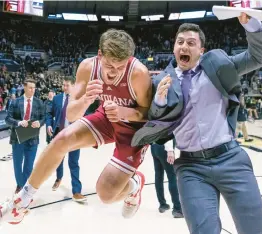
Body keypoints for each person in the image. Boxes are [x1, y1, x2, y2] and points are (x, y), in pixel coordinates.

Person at [0, 29, 152, 224]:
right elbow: (71, 114)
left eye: (120, 67)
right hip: (106, 117)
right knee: (62, 139)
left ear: (129, 60)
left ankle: (135, 184)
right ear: (99, 55)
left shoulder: (139, 73)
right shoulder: (88, 67)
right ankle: (23, 201)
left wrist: (125, 112)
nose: (113, 72)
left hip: (133, 128)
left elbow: (147, 115)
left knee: (106, 194)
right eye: (109, 66)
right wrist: (87, 100)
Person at [132, 13, 262, 234]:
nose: (184, 46)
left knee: (255, 228)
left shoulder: (219, 66)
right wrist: (158, 103)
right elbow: (155, 124)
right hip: (191, 168)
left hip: (230, 158)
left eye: (191, 43)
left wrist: (251, 25)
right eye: (180, 42)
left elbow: (258, 56)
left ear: (201, 50)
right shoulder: (159, 82)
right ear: (174, 48)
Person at [46, 77, 86, 202]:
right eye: (63, 85)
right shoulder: (57, 98)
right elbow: (49, 114)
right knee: (58, 160)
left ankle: (77, 191)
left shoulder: (79, 99)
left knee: (73, 163)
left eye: (67, 85)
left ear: (73, 86)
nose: (64, 87)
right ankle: (59, 178)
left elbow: (86, 115)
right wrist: (48, 124)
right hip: (59, 134)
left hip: (74, 135)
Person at [5, 78, 45, 194]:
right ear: (25, 87)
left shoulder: (39, 102)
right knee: (17, 164)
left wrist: (40, 123)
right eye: (30, 88)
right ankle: (20, 185)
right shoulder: (16, 102)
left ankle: (24, 189)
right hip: (18, 137)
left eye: (34, 88)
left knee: (29, 165)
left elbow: (43, 118)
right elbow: (8, 118)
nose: (33, 90)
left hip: (32, 138)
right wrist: (18, 122)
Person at [150, 139, 183, 218]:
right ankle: (177, 209)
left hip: (154, 146)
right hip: (164, 147)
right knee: (172, 176)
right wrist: (170, 150)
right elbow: (167, 131)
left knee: (158, 175)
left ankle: (162, 204)